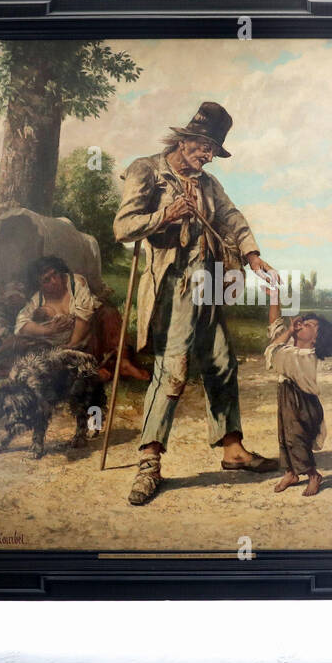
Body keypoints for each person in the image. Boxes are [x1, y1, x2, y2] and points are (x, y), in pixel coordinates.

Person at [112, 101, 279, 506]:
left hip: (210, 283)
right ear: (185, 139)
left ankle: (233, 449)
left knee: (222, 362)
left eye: (213, 151)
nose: (207, 156)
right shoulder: (146, 170)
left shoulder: (208, 184)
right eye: (203, 147)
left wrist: (252, 255)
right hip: (172, 285)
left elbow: (232, 216)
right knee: (173, 370)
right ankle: (149, 461)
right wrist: (166, 214)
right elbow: (123, 227)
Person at [12, 255, 148, 381]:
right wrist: (47, 330)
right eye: (46, 280)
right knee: (46, 355)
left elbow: (84, 314)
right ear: (39, 286)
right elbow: (21, 324)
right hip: (66, 348)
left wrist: (73, 343)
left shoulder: (75, 282)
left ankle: (123, 363)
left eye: (55, 274)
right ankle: (92, 371)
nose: (54, 281)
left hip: (91, 335)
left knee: (109, 313)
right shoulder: (38, 300)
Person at [264, 282, 332, 497]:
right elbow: (275, 325)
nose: (302, 324)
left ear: (315, 339)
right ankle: (291, 472)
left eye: (310, 325)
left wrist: (287, 331)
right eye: (304, 321)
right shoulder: (291, 346)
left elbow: (273, 350)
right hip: (287, 396)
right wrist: (275, 297)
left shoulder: (303, 357)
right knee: (284, 436)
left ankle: (313, 475)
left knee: (297, 439)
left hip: (303, 402)